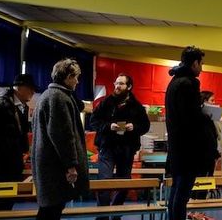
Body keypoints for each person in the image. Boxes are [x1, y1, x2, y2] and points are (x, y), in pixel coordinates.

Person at [32, 58, 89, 220]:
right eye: (75, 77)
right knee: (51, 210)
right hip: (55, 167)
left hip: (49, 164)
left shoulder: (50, 95)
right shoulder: (58, 98)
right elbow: (62, 135)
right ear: (67, 77)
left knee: (50, 209)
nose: (77, 81)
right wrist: (71, 165)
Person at [165, 46, 218, 220]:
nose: (201, 68)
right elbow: (191, 118)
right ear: (195, 63)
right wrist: (206, 117)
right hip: (188, 147)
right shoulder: (188, 83)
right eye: (201, 63)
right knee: (182, 193)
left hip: (176, 145)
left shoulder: (174, 82)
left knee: (176, 191)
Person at [91, 72, 150, 218]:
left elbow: (145, 126)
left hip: (127, 149)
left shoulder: (137, 106)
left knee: (124, 183)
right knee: (104, 182)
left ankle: (116, 212)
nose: (117, 86)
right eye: (116, 83)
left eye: (121, 84)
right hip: (107, 146)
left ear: (129, 87)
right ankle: (103, 215)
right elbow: (93, 121)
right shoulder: (105, 103)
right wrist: (108, 126)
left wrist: (134, 127)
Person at [0, 74, 36, 210]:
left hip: (14, 162)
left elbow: (21, 133)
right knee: (2, 200)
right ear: (19, 87)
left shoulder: (23, 107)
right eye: (30, 88)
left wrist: (24, 150)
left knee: (8, 199)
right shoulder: (0, 104)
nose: (33, 92)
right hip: (1, 163)